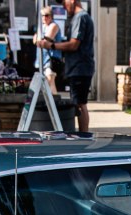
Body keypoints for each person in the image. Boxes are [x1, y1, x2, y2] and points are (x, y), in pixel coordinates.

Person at [37, 0, 94, 132]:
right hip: (78, 67)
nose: (63, 6)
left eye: (64, 2)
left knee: (80, 104)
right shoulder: (80, 17)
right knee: (79, 103)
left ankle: (83, 136)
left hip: (80, 68)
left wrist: (52, 45)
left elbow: (73, 45)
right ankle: (82, 135)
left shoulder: (80, 18)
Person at [33, 6, 63, 92]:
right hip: (41, 60)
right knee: (44, 85)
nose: (44, 17)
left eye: (47, 15)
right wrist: (38, 41)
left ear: (51, 16)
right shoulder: (41, 27)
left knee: (50, 82)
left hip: (51, 60)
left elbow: (45, 42)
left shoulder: (54, 25)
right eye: (42, 15)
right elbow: (35, 40)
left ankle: (55, 100)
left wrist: (38, 41)